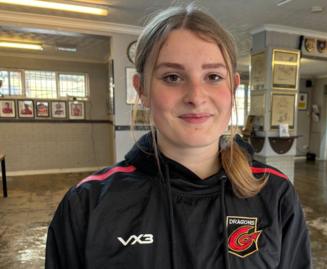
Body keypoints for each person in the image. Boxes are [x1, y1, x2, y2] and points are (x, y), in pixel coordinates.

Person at [45, 5, 311, 269]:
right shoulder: (87, 204)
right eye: (172, 77)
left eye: (213, 76)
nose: (196, 96)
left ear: (233, 88)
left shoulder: (275, 193)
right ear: (142, 90)